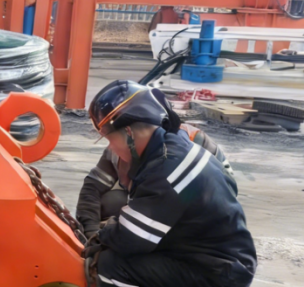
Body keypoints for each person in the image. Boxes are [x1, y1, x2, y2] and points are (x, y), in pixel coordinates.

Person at [84, 80, 268, 287]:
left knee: (112, 264)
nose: (110, 148)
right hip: (222, 266)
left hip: (217, 276)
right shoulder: (174, 147)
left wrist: (101, 233)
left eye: (109, 139)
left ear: (129, 133)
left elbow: (130, 238)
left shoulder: (167, 168)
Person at [77, 88, 233, 237]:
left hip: (192, 215)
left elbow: (225, 194)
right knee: (111, 202)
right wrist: (91, 232)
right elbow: (92, 188)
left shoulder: (196, 142)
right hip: (152, 206)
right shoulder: (120, 147)